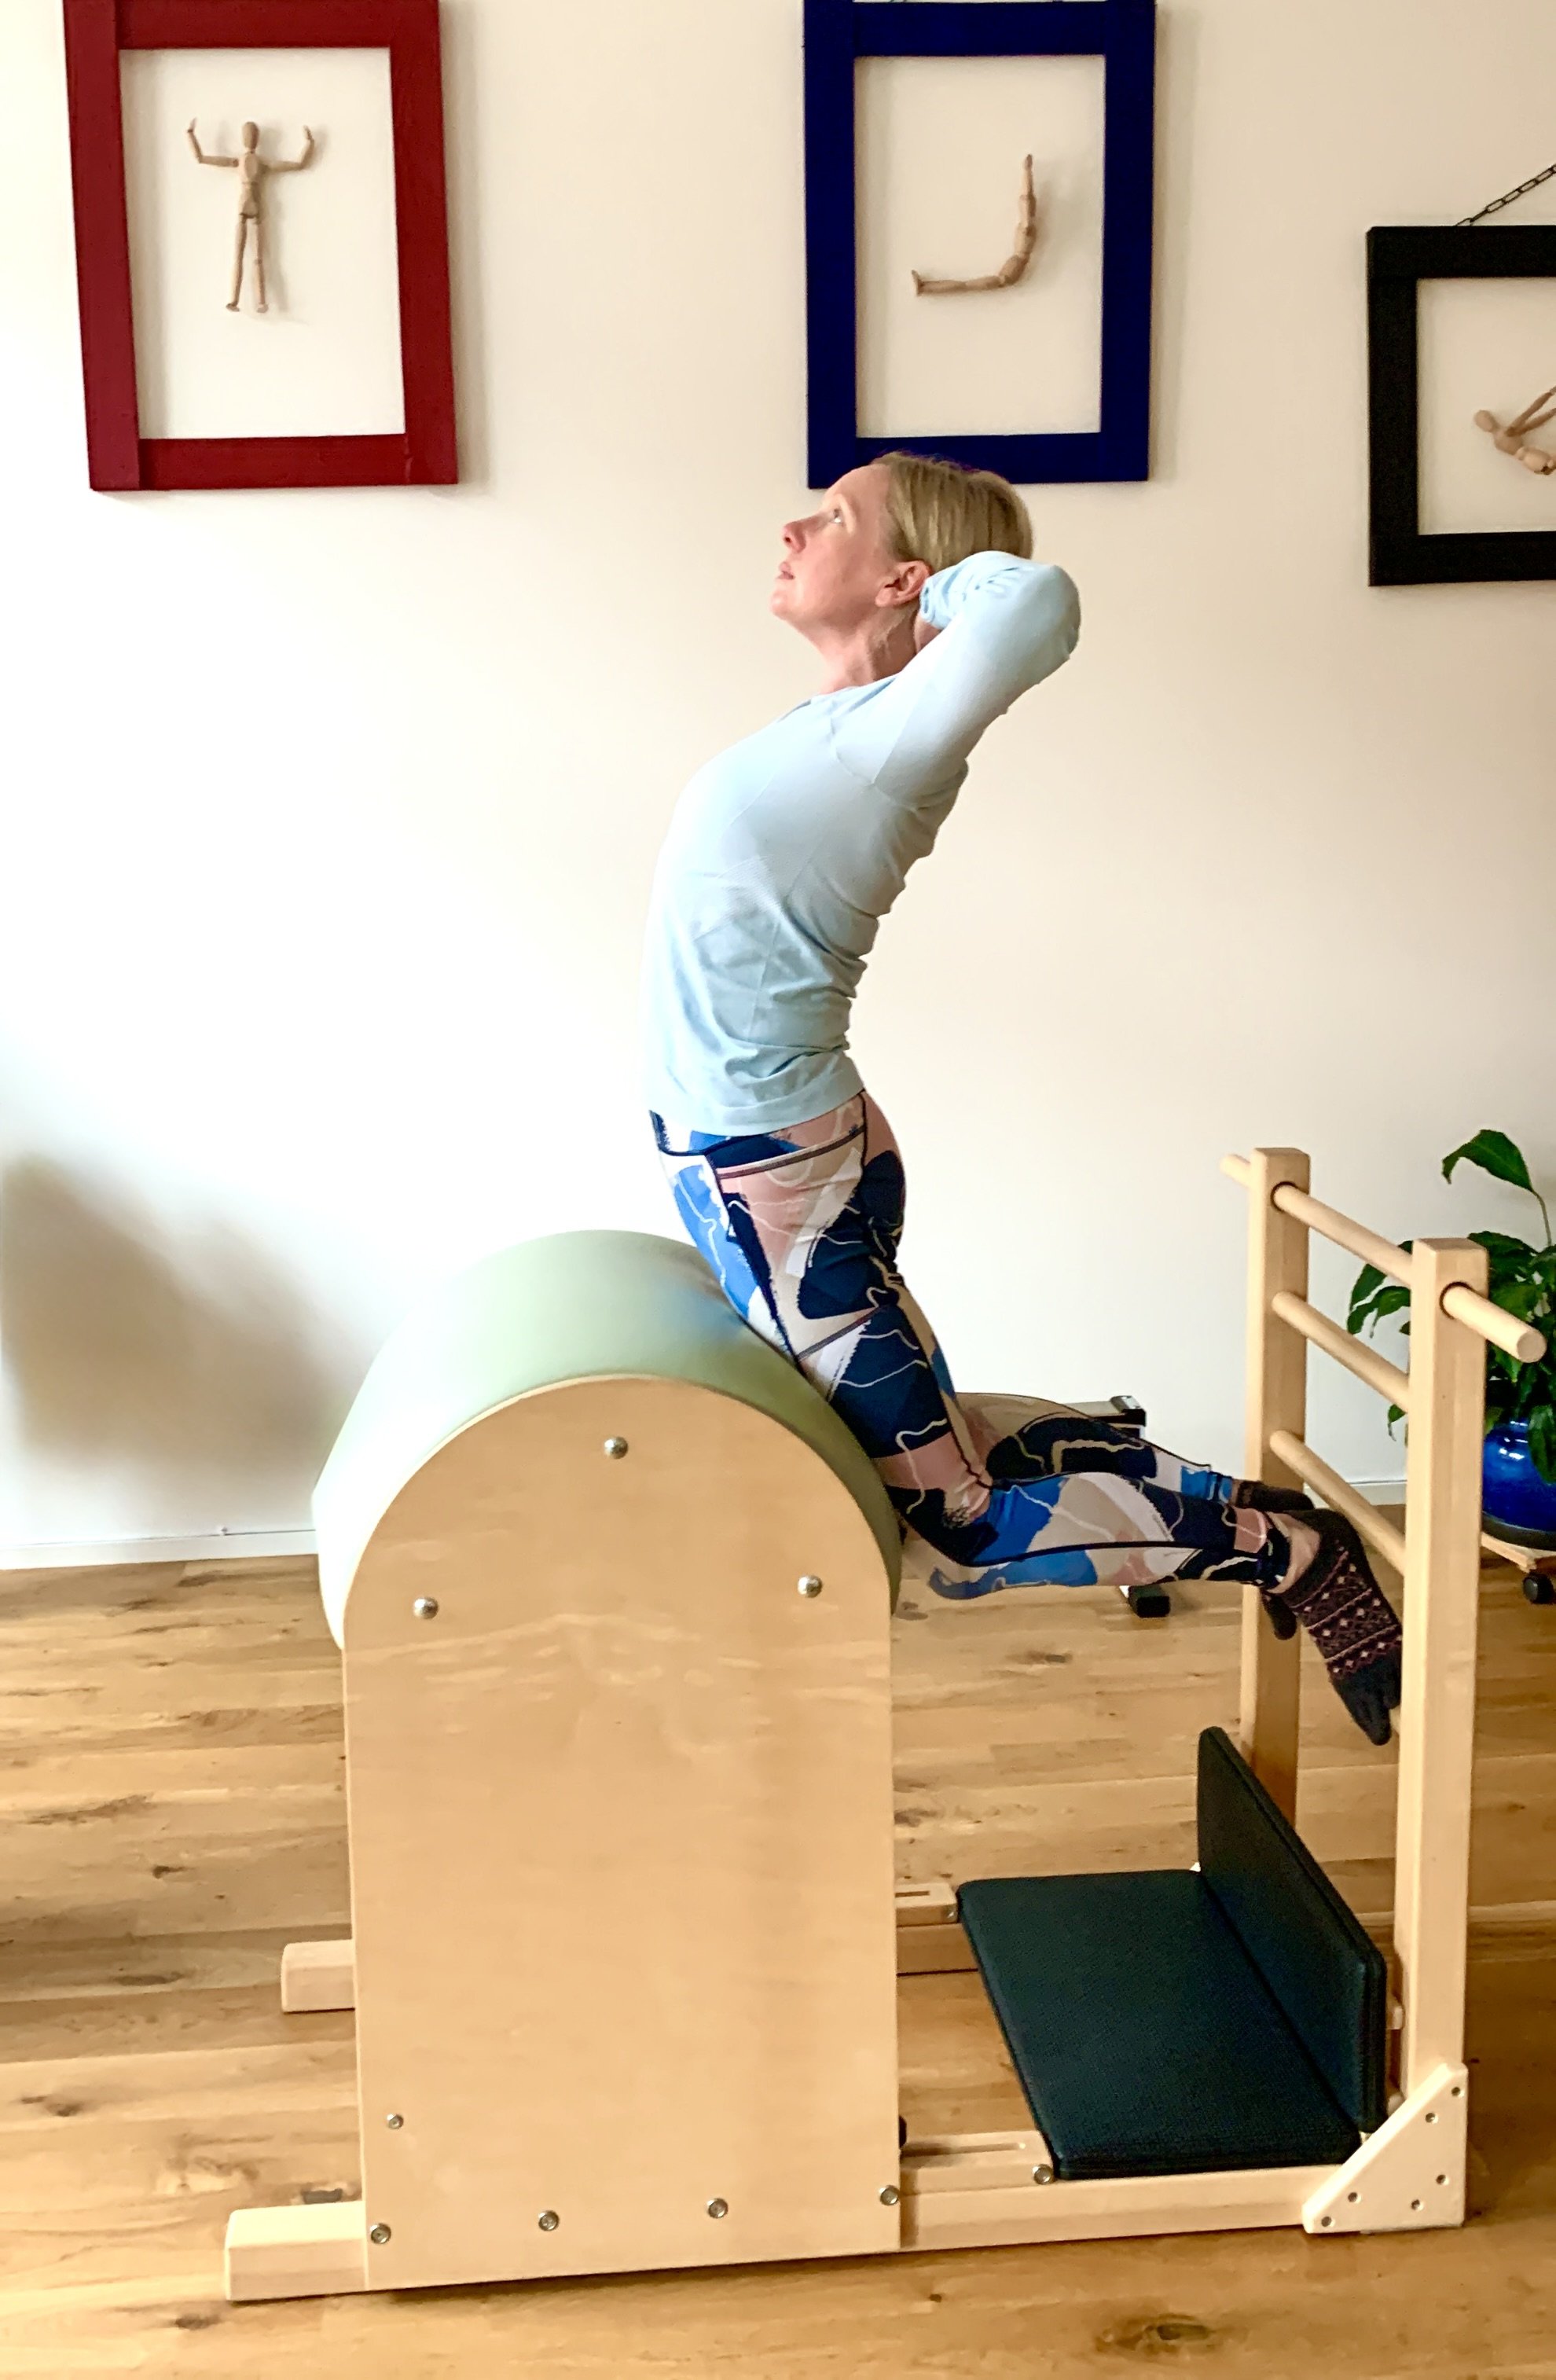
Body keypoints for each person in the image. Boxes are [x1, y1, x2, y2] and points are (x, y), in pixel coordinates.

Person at [641, 451, 1402, 1745]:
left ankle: (1289, 1553)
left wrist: (947, 588)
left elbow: (1038, 602)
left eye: (834, 516)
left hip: (772, 1172)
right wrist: (914, 582)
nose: (793, 527)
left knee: (964, 1526)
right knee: (958, 1457)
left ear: (906, 576)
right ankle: (1242, 1510)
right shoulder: (847, 726)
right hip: (780, 1155)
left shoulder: (897, 732)